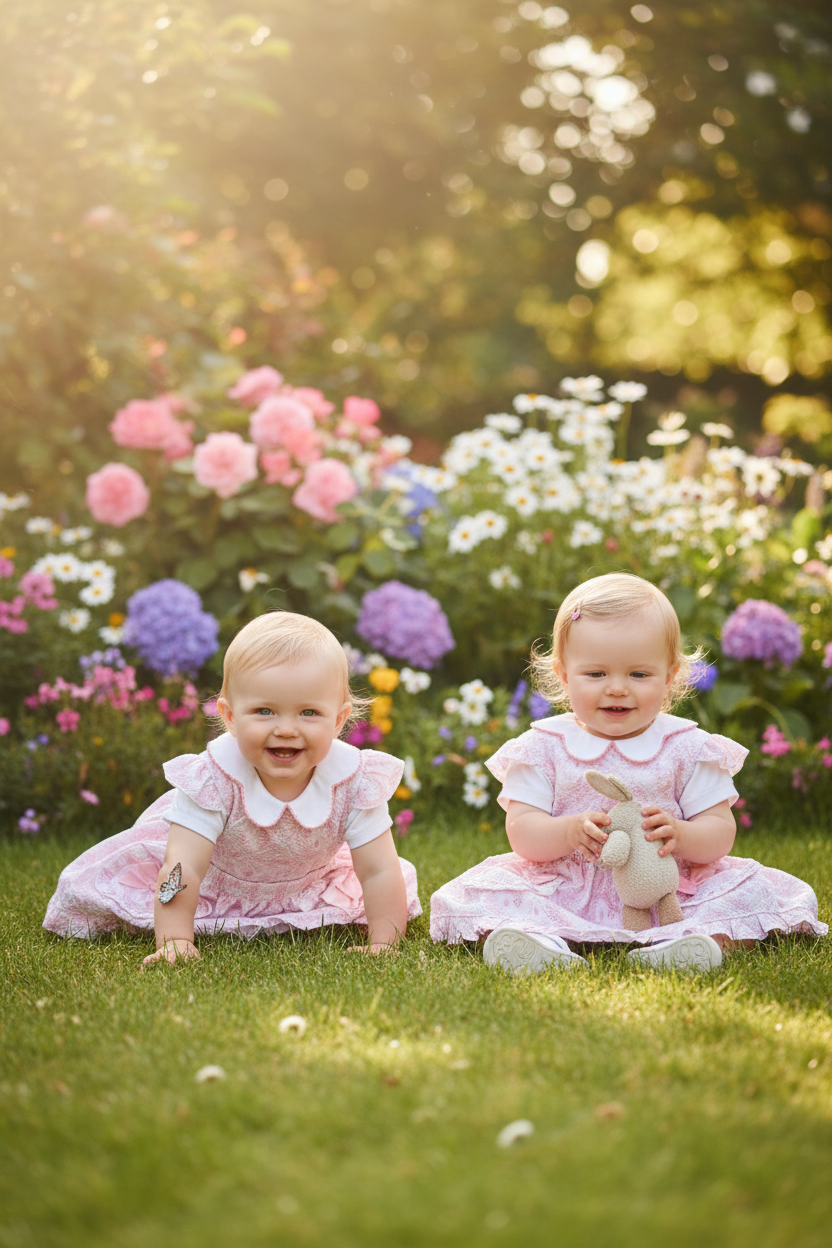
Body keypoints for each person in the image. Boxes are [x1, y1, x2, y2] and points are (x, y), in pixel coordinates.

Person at [429, 573, 826, 973]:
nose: (617, 688)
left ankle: (688, 945)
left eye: (638, 674)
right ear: (564, 674)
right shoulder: (543, 747)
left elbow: (720, 831)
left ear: (669, 676)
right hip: (568, 883)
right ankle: (540, 944)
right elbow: (522, 831)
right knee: (489, 896)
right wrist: (566, 832)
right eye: (596, 674)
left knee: (751, 892)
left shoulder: (687, 747)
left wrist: (683, 834)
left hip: (666, 885)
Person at [44, 612, 421, 964]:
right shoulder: (214, 780)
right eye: (264, 711)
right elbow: (184, 866)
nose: (286, 728)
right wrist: (175, 939)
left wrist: (383, 943)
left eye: (308, 712)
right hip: (212, 882)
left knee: (394, 884)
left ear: (338, 720)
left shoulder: (353, 780)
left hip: (308, 880)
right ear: (229, 717)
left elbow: (378, 871)